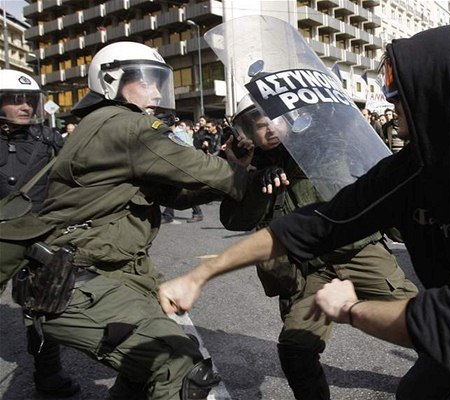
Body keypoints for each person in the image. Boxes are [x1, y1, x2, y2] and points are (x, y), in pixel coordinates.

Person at [159, 25, 450, 400]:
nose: (390, 102)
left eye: (397, 89)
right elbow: (316, 223)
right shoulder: (411, 169)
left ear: (437, 91)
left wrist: (351, 310)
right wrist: (199, 275)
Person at [33, 41, 285, 400]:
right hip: (79, 280)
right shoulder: (124, 125)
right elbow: (195, 166)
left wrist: (235, 174)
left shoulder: (105, 126)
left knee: (140, 371)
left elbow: (174, 194)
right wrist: (248, 177)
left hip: (101, 273)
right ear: (110, 83)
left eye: (157, 81)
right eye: (144, 81)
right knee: (177, 363)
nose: (155, 90)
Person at [220, 97, 417, 400]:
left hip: (361, 253)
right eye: (260, 126)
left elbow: (374, 173)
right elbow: (234, 219)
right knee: (295, 350)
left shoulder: (325, 142)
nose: (270, 129)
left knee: (425, 325)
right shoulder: (254, 168)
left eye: (276, 119)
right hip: (311, 270)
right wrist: (248, 176)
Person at [0, 69, 80, 397]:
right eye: (15, 99)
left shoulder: (49, 140)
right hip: (2, 240)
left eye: (29, 100)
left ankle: (48, 376)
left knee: (43, 309)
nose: (24, 107)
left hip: (40, 238)